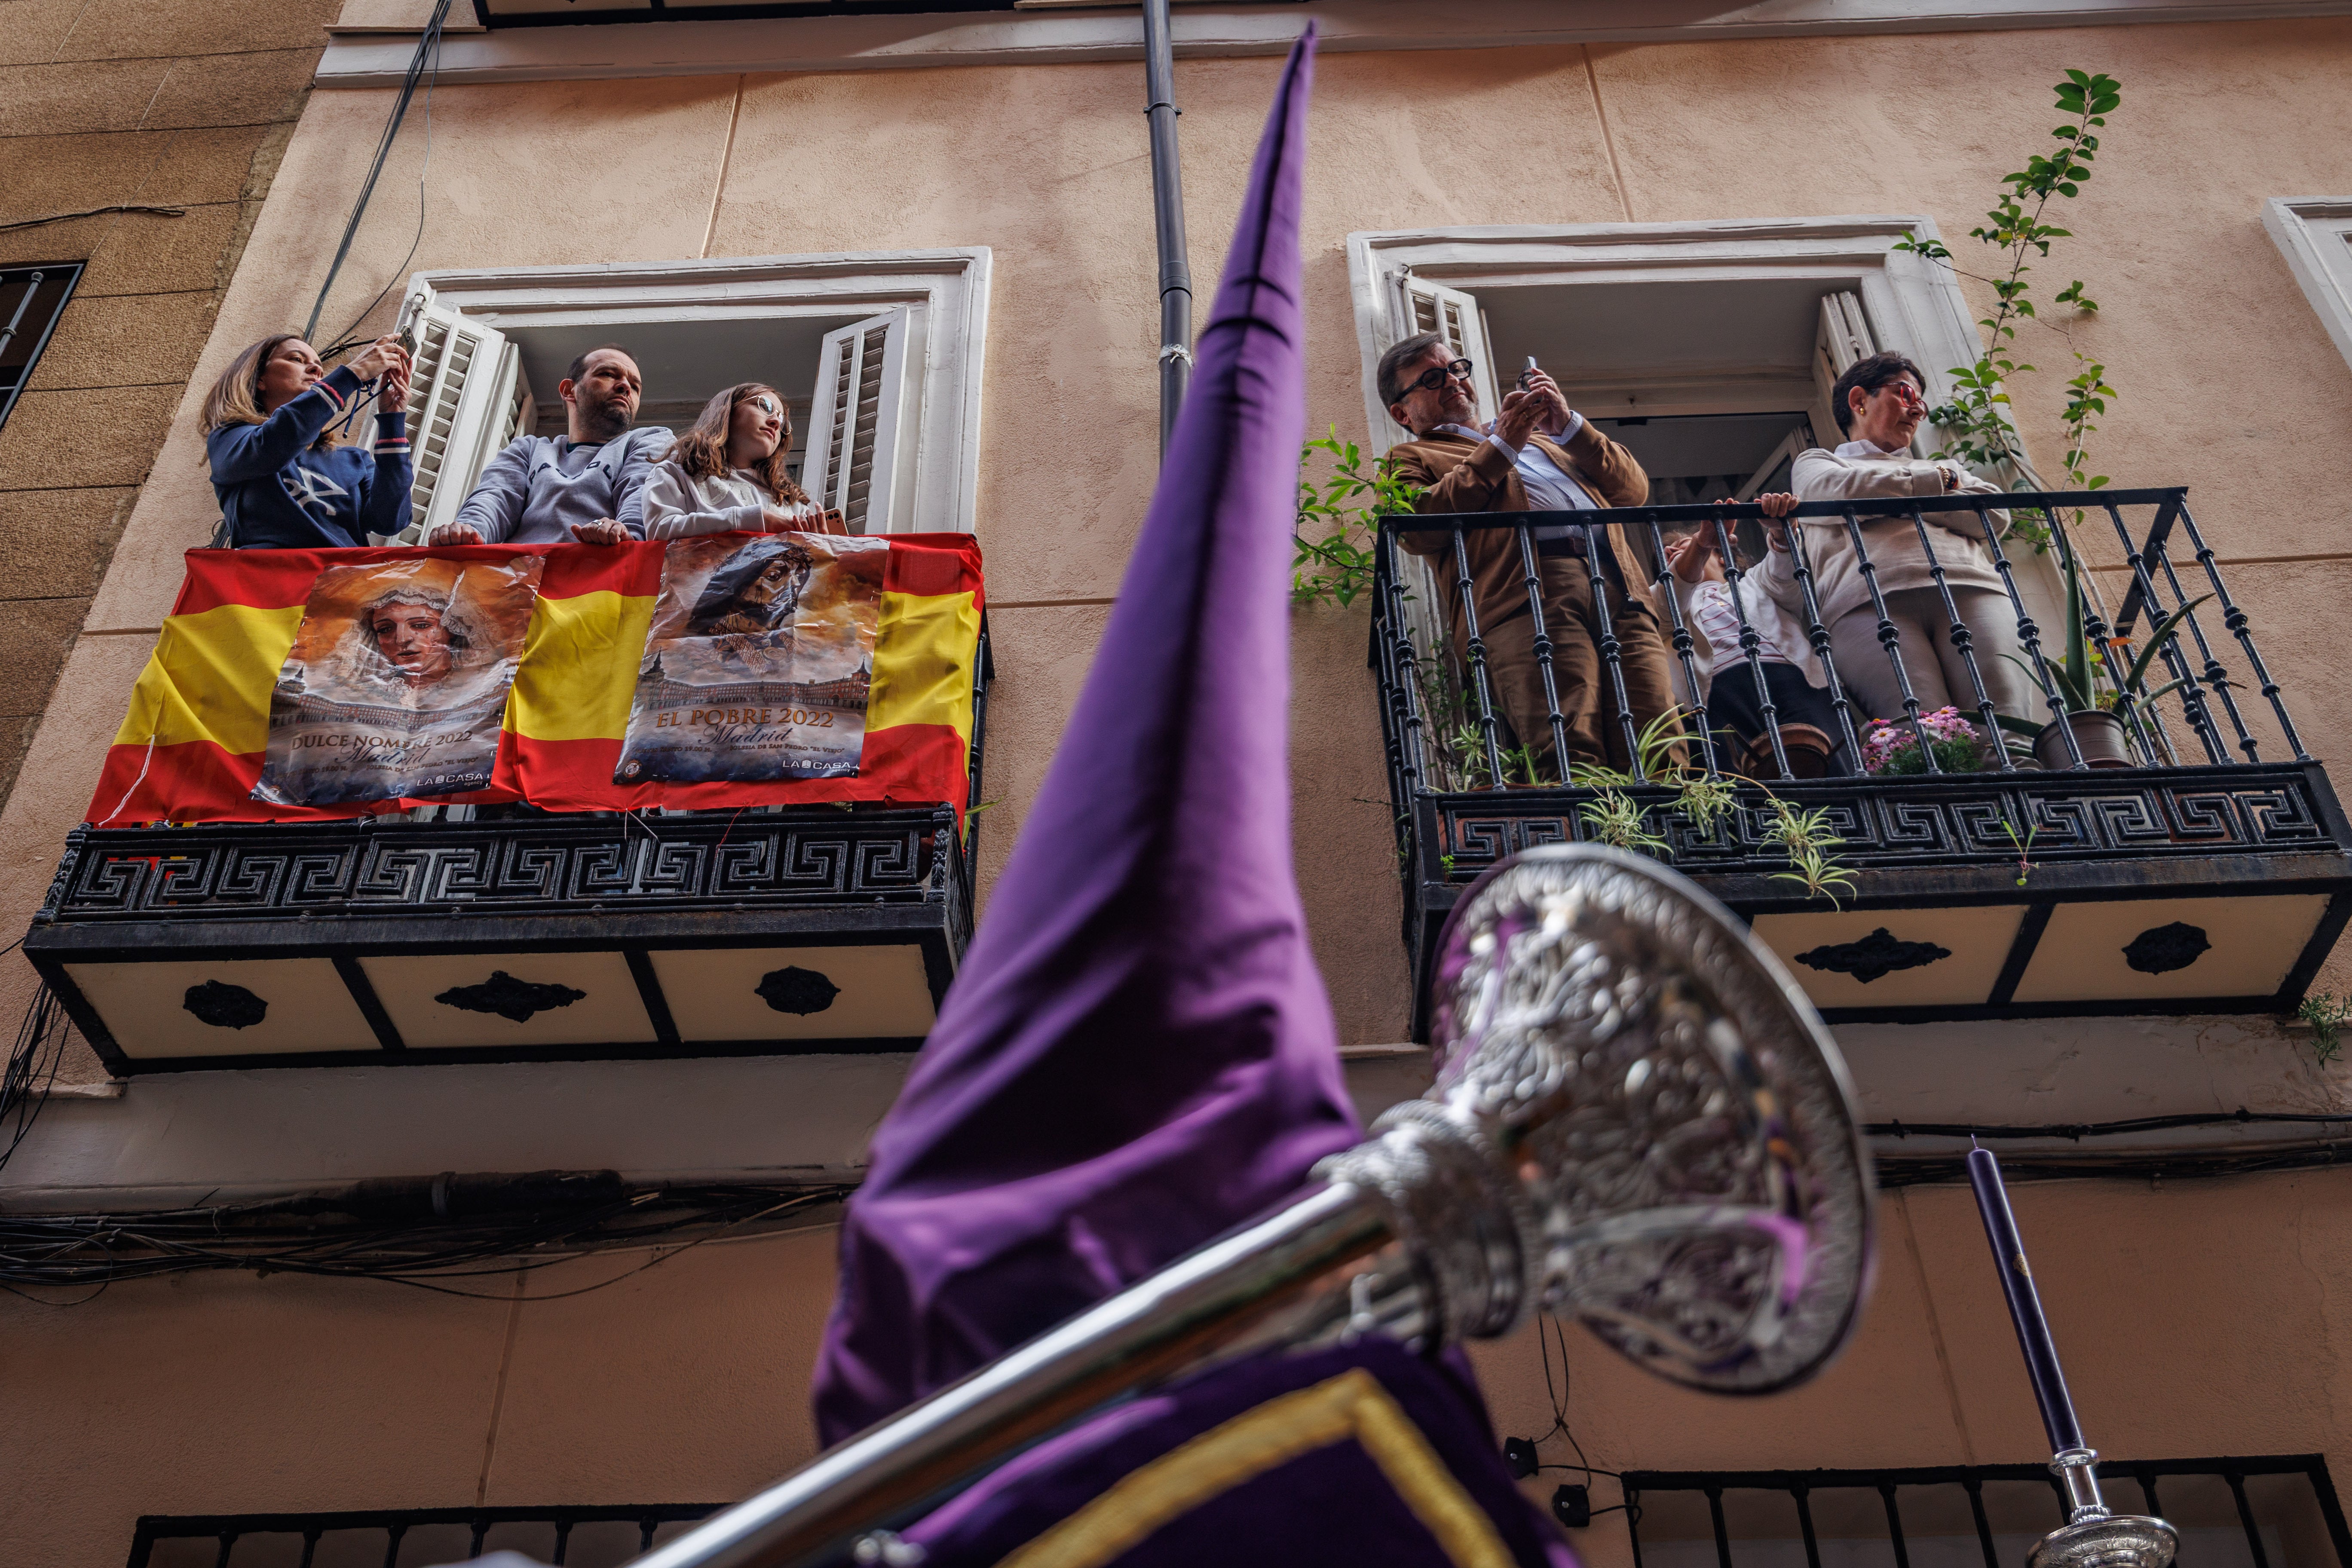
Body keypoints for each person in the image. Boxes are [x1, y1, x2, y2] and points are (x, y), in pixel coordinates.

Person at [1378, 331, 1679, 777]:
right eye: (1432, 378)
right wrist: (1502, 445)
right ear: (1402, 412)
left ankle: (1675, 840)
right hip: (1525, 598)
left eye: (1457, 368)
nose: (1454, 381)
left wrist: (1567, 426)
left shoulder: (1547, 443)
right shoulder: (1411, 455)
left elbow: (1632, 490)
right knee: (1570, 744)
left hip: (1618, 584)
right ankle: (1589, 846)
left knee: (1661, 739)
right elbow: (1419, 526)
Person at [1758, 349, 2031, 731]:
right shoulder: (1819, 463)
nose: (1918, 410)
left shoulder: (1944, 467)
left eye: (1921, 401)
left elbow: (1993, 517)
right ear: (1859, 401)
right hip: (1865, 604)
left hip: (1971, 588)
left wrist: (1883, 499)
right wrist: (1939, 487)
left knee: (2007, 725)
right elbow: (1830, 494)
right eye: (1905, 393)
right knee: (1921, 735)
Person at [1660, 495, 1849, 778]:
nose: (1670, 553)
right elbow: (1669, 598)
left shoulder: (1756, 583)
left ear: (1722, 557)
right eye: (1667, 555)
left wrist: (1781, 529)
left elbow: (1784, 573)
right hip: (1714, 697)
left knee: (1824, 765)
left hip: (1792, 681)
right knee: (1738, 788)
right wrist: (1699, 546)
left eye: (1681, 546)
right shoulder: (1662, 603)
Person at [428, 345, 667, 547]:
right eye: (607, 374)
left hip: (603, 584)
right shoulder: (528, 450)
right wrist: (468, 532)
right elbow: (495, 497)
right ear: (568, 390)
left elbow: (642, 494)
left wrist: (628, 537)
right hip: (520, 586)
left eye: (635, 387)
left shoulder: (649, 440)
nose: (625, 386)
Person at [201, 333, 412, 548]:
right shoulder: (229, 438)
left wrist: (392, 420)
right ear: (259, 379)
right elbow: (275, 444)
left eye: (319, 366)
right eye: (297, 359)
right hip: (271, 578)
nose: (316, 370)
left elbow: (391, 521)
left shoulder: (355, 460)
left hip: (343, 580)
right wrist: (353, 373)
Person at [638, 382, 844, 539]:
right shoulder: (677, 471)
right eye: (765, 406)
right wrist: (754, 520)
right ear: (727, 410)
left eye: (783, 422)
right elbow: (661, 531)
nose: (775, 422)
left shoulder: (790, 502)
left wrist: (821, 545)